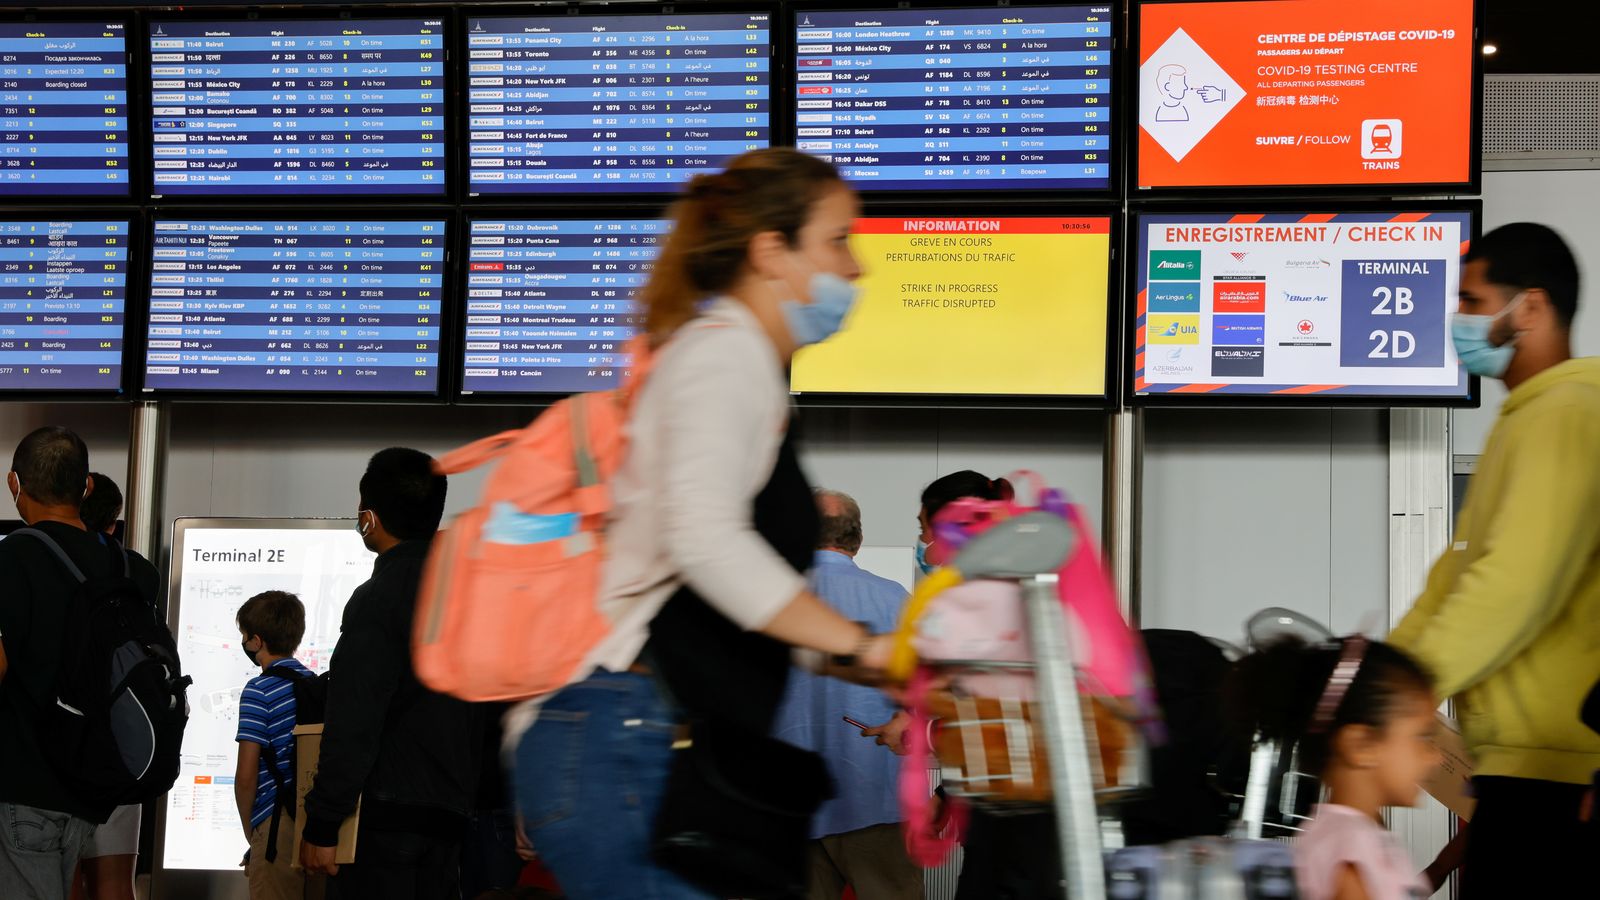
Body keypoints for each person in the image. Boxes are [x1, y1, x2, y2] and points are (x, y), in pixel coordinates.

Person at [507, 148, 895, 900]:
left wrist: (869, 664)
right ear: (770, 251)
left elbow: (714, 602)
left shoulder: (742, 369)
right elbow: (706, 540)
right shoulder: (722, 359)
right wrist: (858, 642)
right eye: (838, 238)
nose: (857, 267)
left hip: (650, 740)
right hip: (624, 739)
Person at [1389, 222, 1600, 896]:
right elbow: (1452, 583)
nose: (1460, 319)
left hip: (1558, 778)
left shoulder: (1566, 413)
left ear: (1530, 308)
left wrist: (1398, 694)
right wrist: (1376, 675)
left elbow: (1514, 585)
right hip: (1518, 772)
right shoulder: (1525, 419)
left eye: (1474, 302)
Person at [298, 448, 482, 899]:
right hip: (450, 823)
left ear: (369, 518)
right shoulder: (470, 598)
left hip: (383, 825)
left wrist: (323, 823)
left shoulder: (378, 599)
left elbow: (355, 718)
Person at [0, 428, 159, 899]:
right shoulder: (132, 569)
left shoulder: (10, 560)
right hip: (98, 783)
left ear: (14, 483)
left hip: (24, 786)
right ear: (86, 486)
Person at [771, 490, 922, 900]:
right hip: (875, 800)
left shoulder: (770, 603)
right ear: (856, 539)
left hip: (785, 804)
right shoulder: (896, 599)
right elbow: (926, 693)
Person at [1229, 637, 1442, 900]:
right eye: (1422, 737)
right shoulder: (1349, 846)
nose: (1435, 757)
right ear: (1362, 746)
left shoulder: (1354, 834)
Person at [70, 472, 159, 900]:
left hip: (60, 750)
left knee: (58, 878)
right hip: (124, 741)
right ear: (114, 520)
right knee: (114, 886)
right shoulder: (138, 570)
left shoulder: (49, 560)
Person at [234, 591, 323, 900]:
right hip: (316, 822)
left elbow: (246, 776)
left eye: (244, 636)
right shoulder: (314, 682)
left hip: (275, 823)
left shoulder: (259, 690)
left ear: (257, 641)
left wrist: (252, 832)